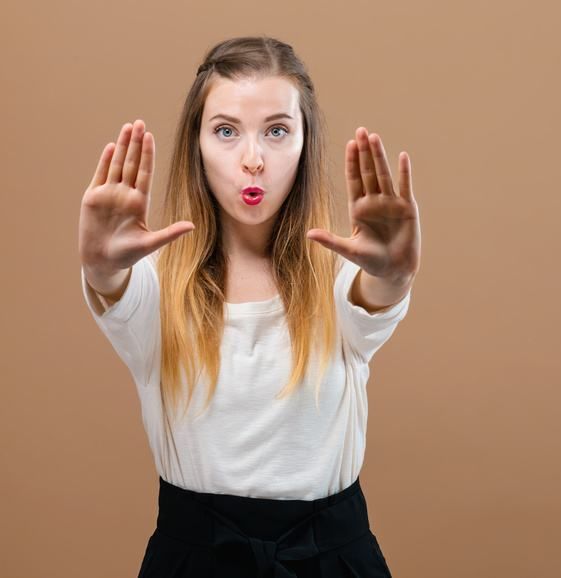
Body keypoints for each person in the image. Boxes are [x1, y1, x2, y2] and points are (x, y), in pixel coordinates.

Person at [78, 35, 421, 577]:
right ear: (196, 144)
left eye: (278, 131)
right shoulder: (156, 287)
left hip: (332, 561)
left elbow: (373, 298)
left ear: (306, 143)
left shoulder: (341, 278)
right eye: (226, 131)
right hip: (193, 561)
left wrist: (394, 274)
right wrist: (100, 265)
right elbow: (113, 287)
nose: (253, 160)